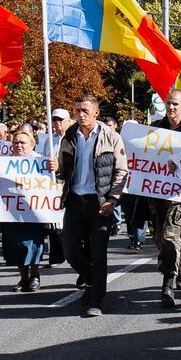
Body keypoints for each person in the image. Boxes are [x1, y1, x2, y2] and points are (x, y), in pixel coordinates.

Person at [50, 95, 127, 318]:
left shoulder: (111, 137)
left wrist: (112, 200)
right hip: (75, 200)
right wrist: (55, 168)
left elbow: (121, 171)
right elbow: (64, 171)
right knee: (71, 251)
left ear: (96, 112)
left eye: (84, 110)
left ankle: (96, 299)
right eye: (76, 111)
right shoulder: (70, 136)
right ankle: (94, 281)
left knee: (98, 252)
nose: (80, 115)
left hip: (98, 202)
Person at [148, 89, 181, 306]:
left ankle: (167, 285)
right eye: (168, 103)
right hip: (155, 194)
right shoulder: (155, 129)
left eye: (176, 104)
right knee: (159, 238)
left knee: (170, 237)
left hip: (179, 196)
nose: (171, 108)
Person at [0, 128, 47, 292]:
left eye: (22, 142)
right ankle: (23, 278)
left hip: (34, 211)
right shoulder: (4, 163)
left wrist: (54, 169)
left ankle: (35, 275)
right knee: (17, 245)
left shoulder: (41, 162)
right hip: (12, 211)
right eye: (15, 142)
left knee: (33, 244)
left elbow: (53, 182)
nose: (18, 146)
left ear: (32, 144)